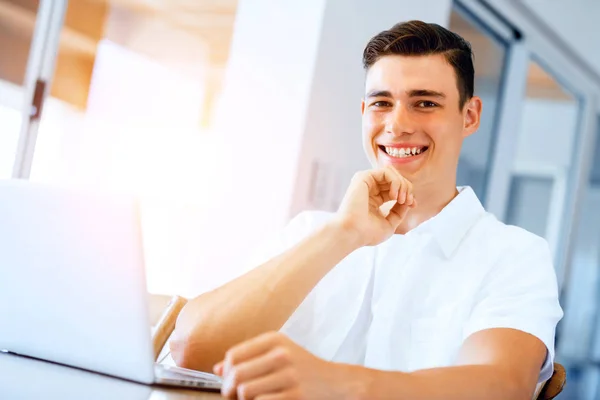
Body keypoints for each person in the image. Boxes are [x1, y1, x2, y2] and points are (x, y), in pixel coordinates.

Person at [170, 20, 563, 400]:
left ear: (469, 115)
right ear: (363, 112)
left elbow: (502, 387)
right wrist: (343, 234)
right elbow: (191, 349)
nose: (397, 124)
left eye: (425, 103)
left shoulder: (515, 254)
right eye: (381, 103)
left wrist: (337, 385)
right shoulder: (310, 231)